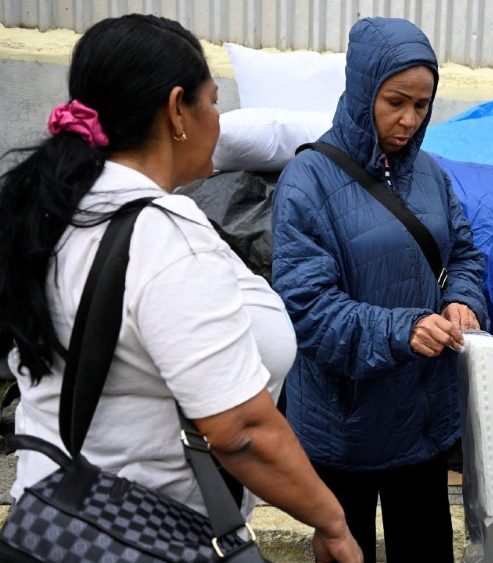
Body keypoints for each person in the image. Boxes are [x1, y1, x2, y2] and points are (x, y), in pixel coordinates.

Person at [0, 15, 361, 563]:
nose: (218, 119)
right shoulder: (164, 238)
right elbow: (239, 430)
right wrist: (331, 520)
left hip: (47, 523)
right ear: (176, 110)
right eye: (212, 102)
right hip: (139, 537)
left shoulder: (52, 210)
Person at [271, 17, 489, 563]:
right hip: (345, 426)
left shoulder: (431, 176)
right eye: (396, 102)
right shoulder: (307, 182)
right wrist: (403, 328)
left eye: (422, 105)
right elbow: (307, 308)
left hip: (422, 420)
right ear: (364, 88)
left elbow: (463, 255)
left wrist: (462, 299)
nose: (409, 120)